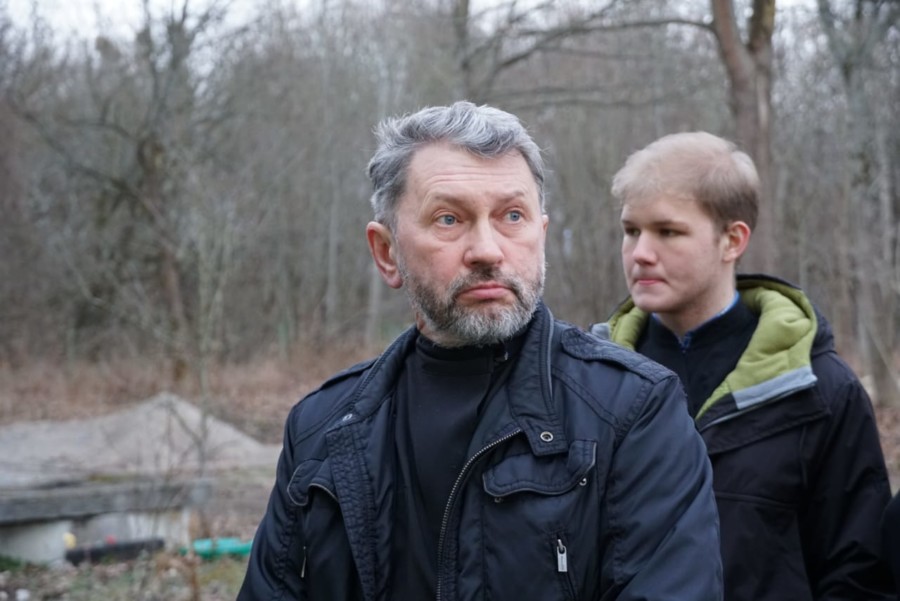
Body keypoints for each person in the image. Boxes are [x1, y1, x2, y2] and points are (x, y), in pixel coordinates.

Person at [238, 102, 723, 600]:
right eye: (449, 219)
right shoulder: (320, 429)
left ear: (541, 234)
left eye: (512, 216)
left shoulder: (634, 411)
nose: (488, 250)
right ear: (387, 252)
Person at [591, 131, 894, 601]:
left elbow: (859, 574)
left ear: (732, 240)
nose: (641, 253)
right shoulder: (589, 383)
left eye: (668, 232)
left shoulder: (821, 392)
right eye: (631, 231)